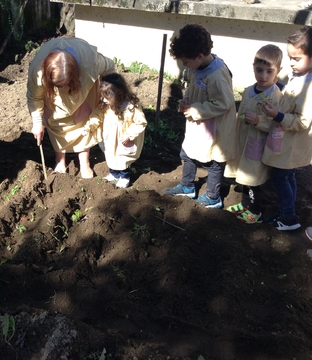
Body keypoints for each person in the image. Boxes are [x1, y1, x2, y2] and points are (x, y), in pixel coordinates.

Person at [164, 24, 237, 209]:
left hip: (215, 129)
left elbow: (224, 103)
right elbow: (192, 86)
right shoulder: (195, 67)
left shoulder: (217, 76)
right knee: (187, 153)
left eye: (186, 62)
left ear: (200, 56)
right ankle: (188, 187)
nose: (184, 66)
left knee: (213, 162)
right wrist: (187, 99)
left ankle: (213, 196)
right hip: (199, 125)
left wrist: (196, 110)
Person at [26, 37, 115, 179]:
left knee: (85, 125)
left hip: (81, 92)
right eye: (58, 84)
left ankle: (84, 163)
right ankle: (60, 160)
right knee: (57, 124)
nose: (61, 88)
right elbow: (34, 98)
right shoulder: (38, 71)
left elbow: (110, 66)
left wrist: (107, 91)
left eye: (64, 83)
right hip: (53, 99)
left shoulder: (90, 61)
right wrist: (37, 122)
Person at [259, 26, 312, 231]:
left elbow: (303, 121)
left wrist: (278, 115)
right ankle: (286, 212)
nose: (291, 62)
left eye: (297, 58)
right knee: (287, 177)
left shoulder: (309, 87)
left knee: (280, 177)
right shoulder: (299, 76)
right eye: (290, 57)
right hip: (287, 142)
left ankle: (289, 217)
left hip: (292, 145)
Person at [224, 44, 284, 224]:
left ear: (278, 71)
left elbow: (276, 125)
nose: (263, 76)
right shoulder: (249, 90)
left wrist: (259, 121)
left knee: (253, 177)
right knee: (243, 175)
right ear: (253, 68)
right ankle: (244, 205)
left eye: (269, 71)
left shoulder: (275, 96)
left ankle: (255, 211)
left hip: (258, 143)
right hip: (243, 139)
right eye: (259, 70)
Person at [83, 73, 147, 188]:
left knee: (122, 158)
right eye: (102, 97)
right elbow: (97, 115)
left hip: (124, 139)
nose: (104, 100)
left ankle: (124, 177)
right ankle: (114, 174)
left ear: (118, 94)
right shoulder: (106, 106)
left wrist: (129, 135)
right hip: (110, 137)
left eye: (107, 97)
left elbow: (140, 123)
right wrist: (90, 126)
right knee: (110, 155)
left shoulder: (131, 106)